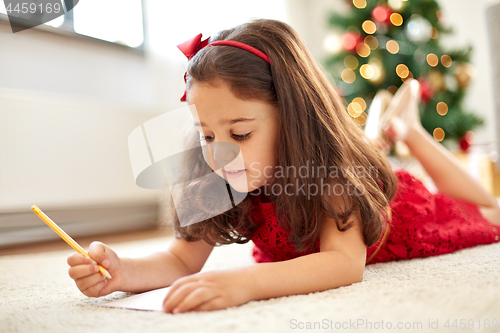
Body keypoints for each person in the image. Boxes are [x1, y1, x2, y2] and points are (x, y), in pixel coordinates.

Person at [67, 19, 500, 314]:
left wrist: (243, 284)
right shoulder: (221, 174)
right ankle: (388, 132)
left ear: (293, 119)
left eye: (239, 134)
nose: (219, 152)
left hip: (405, 211)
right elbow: (182, 260)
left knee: (487, 210)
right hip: (357, 182)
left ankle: (409, 130)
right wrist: (124, 272)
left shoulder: (329, 176)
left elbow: (343, 263)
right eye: (206, 134)